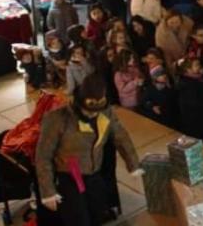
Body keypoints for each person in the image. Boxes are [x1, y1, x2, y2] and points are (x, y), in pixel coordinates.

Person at [36, 75, 141, 226]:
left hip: (94, 174)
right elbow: (43, 156)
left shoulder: (106, 113)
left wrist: (133, 164)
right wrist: (48, 191)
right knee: (78, 219)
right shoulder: (57, 119)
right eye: (89, 110)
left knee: (97, 213)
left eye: (97, 111)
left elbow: (121, 137)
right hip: (68, 176)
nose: (93, 114)